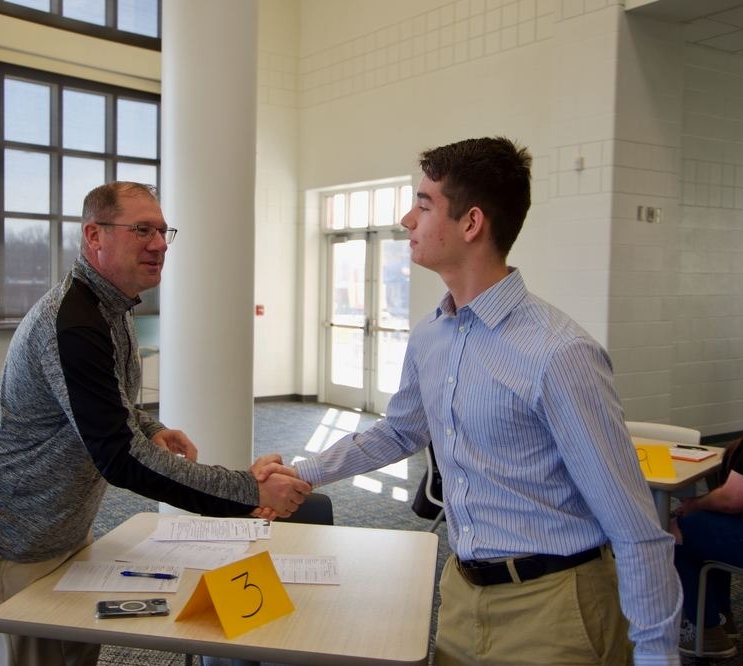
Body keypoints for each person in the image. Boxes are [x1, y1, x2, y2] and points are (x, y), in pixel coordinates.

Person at [255, 137, 682, 665]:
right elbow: (399, 431)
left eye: (425, 204)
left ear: (472, 223)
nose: (407, 219)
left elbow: (637, 530)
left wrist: (657, 656)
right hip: (461, 592)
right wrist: (304, 473)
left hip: (557, 606)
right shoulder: (432, 336)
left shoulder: (559, 352)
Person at [0, 182, 311, 666]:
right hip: (14, 528)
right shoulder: (75, 322)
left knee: (76, 647)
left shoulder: (109, 307)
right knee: (38, 656)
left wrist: (147, 425)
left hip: (61, 522)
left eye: (163, 231)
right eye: (142, 229)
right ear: (94, 236)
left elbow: (99, 403)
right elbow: (119, 458)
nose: (159, 243)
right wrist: (247, 490)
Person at [671, 351, 743, 659]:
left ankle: (703, 629)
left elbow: (732, 499)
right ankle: (718, 620)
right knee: (707, 529)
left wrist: (693, 504)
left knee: (678, 529)